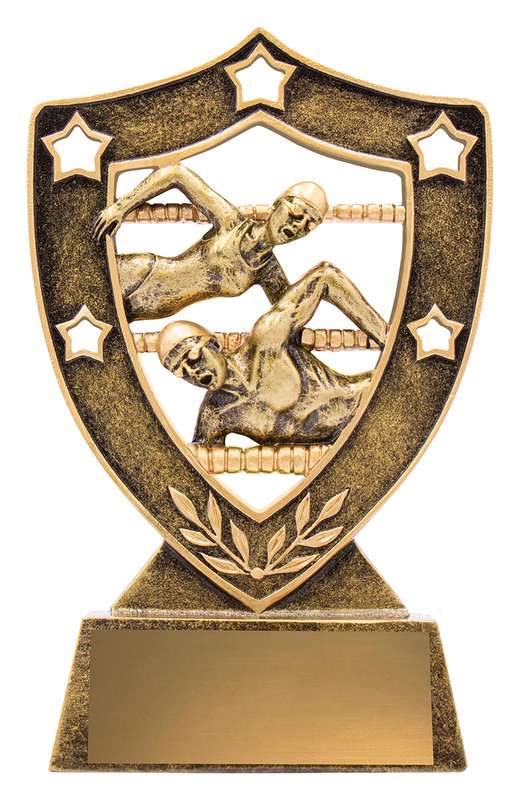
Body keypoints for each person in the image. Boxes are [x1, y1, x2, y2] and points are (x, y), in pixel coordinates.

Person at [154, 261, 388, 446]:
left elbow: (325, 277)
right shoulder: (216, 414)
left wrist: (388, 340)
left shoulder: (266, 340)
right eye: (180, 372)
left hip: (375, 402)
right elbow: (198, 468)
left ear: (214, 344)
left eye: (193, 357)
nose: (192, 372)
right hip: (355, 454)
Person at [94, 162, 328, 321]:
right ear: (277, 204)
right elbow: (176, 173)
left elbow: (289, 318)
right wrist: (120, 207)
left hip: (155, 309)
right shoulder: (232, 223)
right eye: (297, 213)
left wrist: (323, 283)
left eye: (310, 225)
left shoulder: (269, 272)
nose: (299, 225)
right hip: (139, 274)